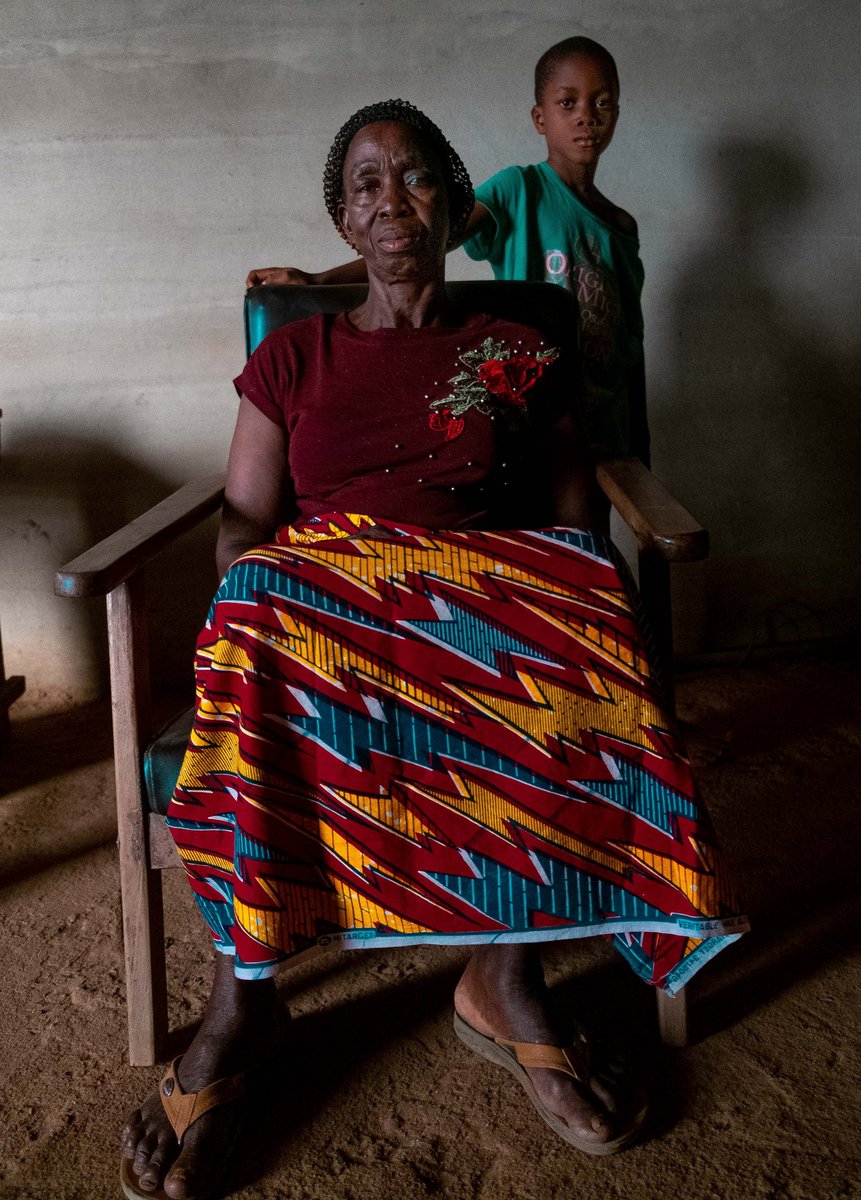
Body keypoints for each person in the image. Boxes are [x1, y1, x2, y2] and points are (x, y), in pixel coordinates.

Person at [121, 100, 745, 1200]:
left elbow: (568, 523)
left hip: (472, 603)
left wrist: (518, 588)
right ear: (344, 218)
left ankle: (504, 984)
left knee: (577, 614)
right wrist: (275, 583)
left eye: (414, 179)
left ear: (454, 206)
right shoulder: (297, 357)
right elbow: (240, 524)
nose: (391, 199)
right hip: (329, 609)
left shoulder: (510, 350)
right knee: (263, 606)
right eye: (365, 183)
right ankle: (244, 1004)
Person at [246, 37, 649, 463]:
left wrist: (640, 442)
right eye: (568, 103)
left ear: (617, 113)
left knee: (593, 524)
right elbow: (418, 241)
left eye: (601, 103)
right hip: (531, 401)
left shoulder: (621, 225)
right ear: (539, 117)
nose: (586, 117)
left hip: (607, 414)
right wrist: (318, 280)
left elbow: (630, 344)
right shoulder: (519, 190)